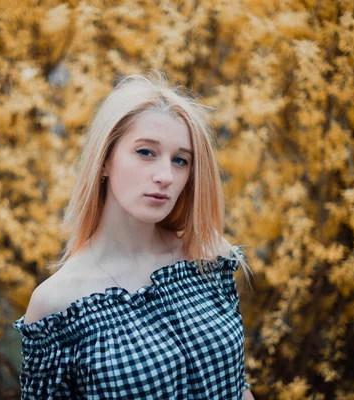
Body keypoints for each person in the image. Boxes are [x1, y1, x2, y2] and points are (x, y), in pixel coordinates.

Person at [13, 71, 255, 399]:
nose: (165, 176)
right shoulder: (57, 304)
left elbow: (237, 389)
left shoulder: (211, 257)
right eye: (145, 152)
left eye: (180, 160)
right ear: (105, 160)